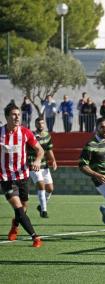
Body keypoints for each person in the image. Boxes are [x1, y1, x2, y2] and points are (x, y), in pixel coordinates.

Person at [1, 104, 44, 247]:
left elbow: (40, 150)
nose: (17, 117)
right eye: (13, 114)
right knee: (18, 207)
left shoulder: (25, 133)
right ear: (7, 117)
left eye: (18, 114)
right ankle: (35, 237)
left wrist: (37, 160)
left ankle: (15, 225)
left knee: (24, 207)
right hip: (6, 177)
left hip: (23, 176)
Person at [28, 117, 57, 218]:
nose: (41, 125)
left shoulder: (47, 135)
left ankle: (40, 206)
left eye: (42, 123)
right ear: (35, 125)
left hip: (44, 165)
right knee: (41, 185)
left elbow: (49, 149)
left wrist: (53, 160)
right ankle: (44, 211)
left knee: (50, 188)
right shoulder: (31, 135)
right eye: (38, 123)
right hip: (32, 164)